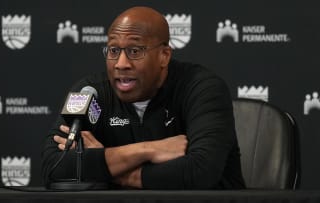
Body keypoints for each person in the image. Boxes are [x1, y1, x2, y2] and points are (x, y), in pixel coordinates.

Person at [41, 6, 245, 189]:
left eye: (134, 51)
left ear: (164, 55)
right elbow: (53, 168)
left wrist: (104, 166)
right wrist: (147, 150)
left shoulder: (201, 88)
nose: (121, 63)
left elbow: (200, 171)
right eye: (113, 50)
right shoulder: (90, 92)